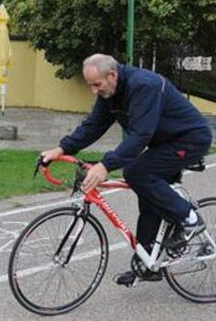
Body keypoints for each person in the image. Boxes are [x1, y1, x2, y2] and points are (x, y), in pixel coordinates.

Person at [41, 53, 213, 285]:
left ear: (112, 75)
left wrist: (105, 165)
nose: (93, 90)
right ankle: (147, 263)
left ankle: (190, 219)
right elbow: (94, 125)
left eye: (96, 84)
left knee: (136, 172)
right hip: (163, 141)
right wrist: (61, 149)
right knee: (149, 196)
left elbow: (141, 134)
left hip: (189, 139)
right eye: (90, 85)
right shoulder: (110, 91)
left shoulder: (144, 85)